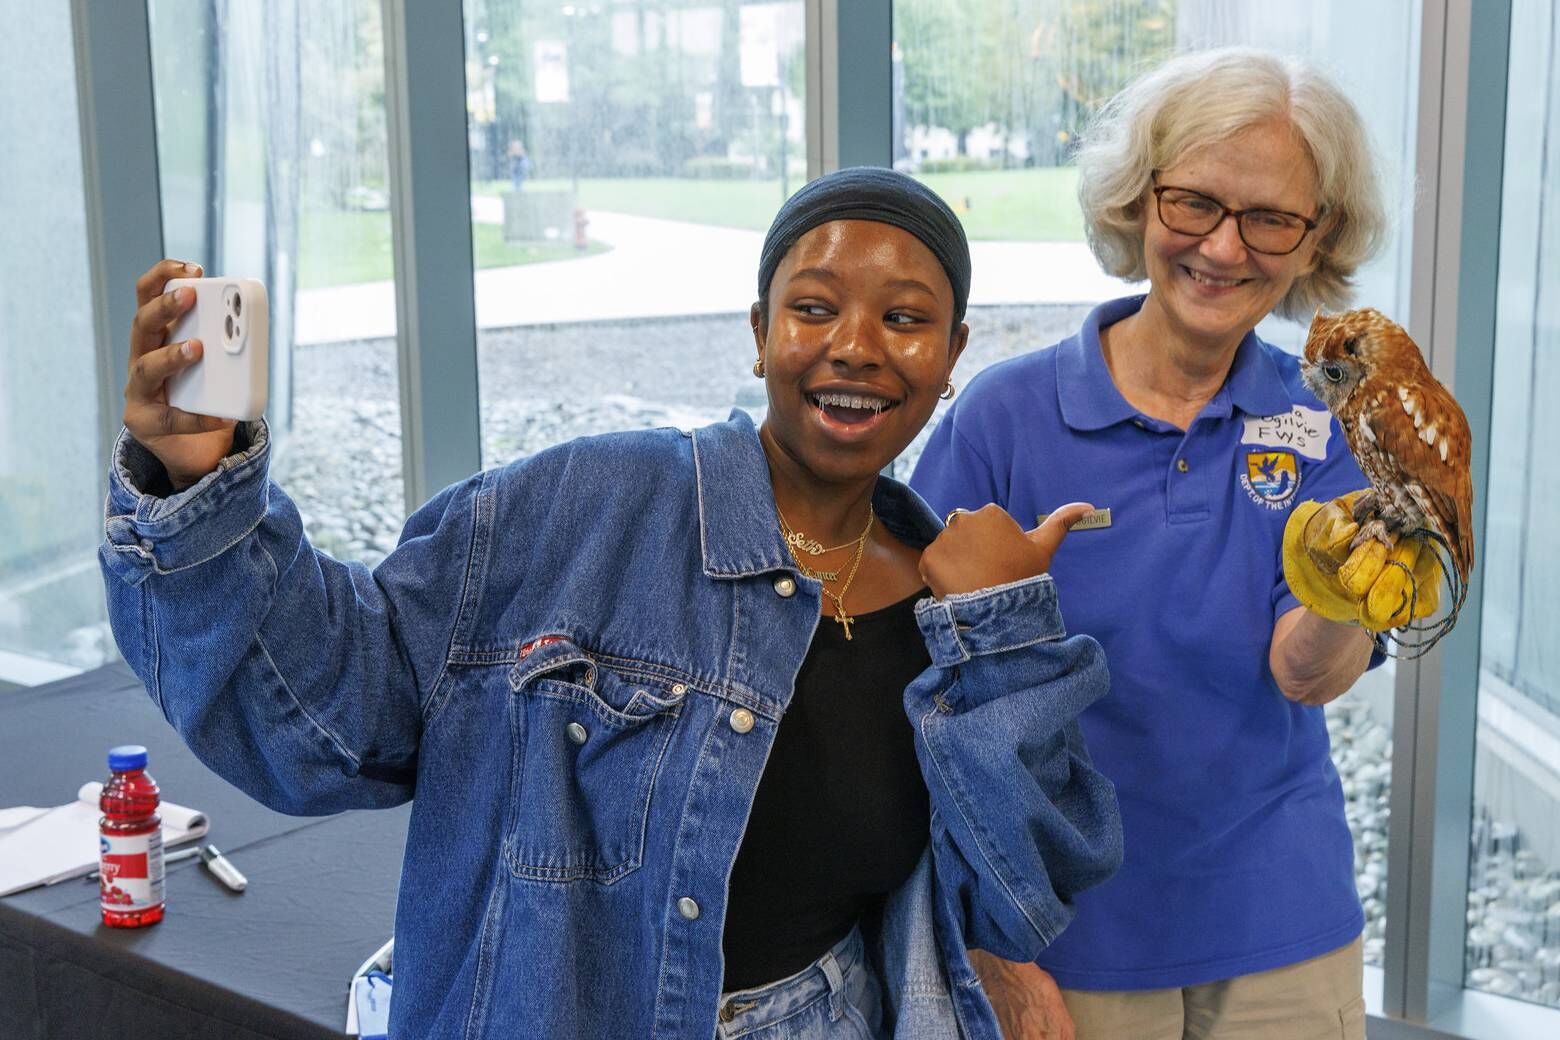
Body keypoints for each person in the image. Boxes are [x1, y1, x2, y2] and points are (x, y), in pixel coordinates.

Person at [102, 167, 1122, 1040]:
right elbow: (329, 718)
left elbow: (1017, 893)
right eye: (814, 307)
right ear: (760, 334)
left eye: (905, 319)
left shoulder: (953, 606)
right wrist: (196, 485)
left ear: (950, 361)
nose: (856, 345)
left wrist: (1004, 630)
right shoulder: (582, 505)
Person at [912, 48, 1399, 1040]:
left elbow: (1305, 675)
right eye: (1195, 204)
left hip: (1281, 921)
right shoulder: (1005, 419)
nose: (1225, 248)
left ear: (1315, 243)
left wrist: (1362, 580)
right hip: (1063, 928)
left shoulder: (1327, 423)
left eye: (1269, 218)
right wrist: (988, 936)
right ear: (1138, 203)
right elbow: (915, 692)